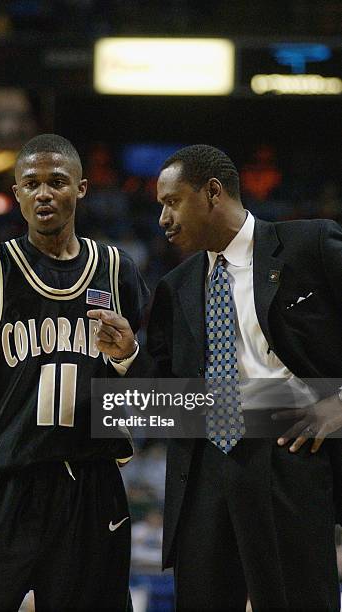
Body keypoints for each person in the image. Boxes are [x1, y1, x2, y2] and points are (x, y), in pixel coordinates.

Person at [88, 144, 342, 611]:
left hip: (289, 453)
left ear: (211, 191)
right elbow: (163, 400)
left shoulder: (310, 245)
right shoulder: (175, 286)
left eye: (171, 201)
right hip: (202, 468)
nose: (162, 218)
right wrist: (127, 356)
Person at [0, 134, 149, 611]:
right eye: (31, 183)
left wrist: (128, 355)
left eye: (57, 182)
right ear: (16, 194)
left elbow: (147, 388)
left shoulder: (117, 270)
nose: (44, 193)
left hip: (92, 490)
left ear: (81, 189)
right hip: (5, 489)